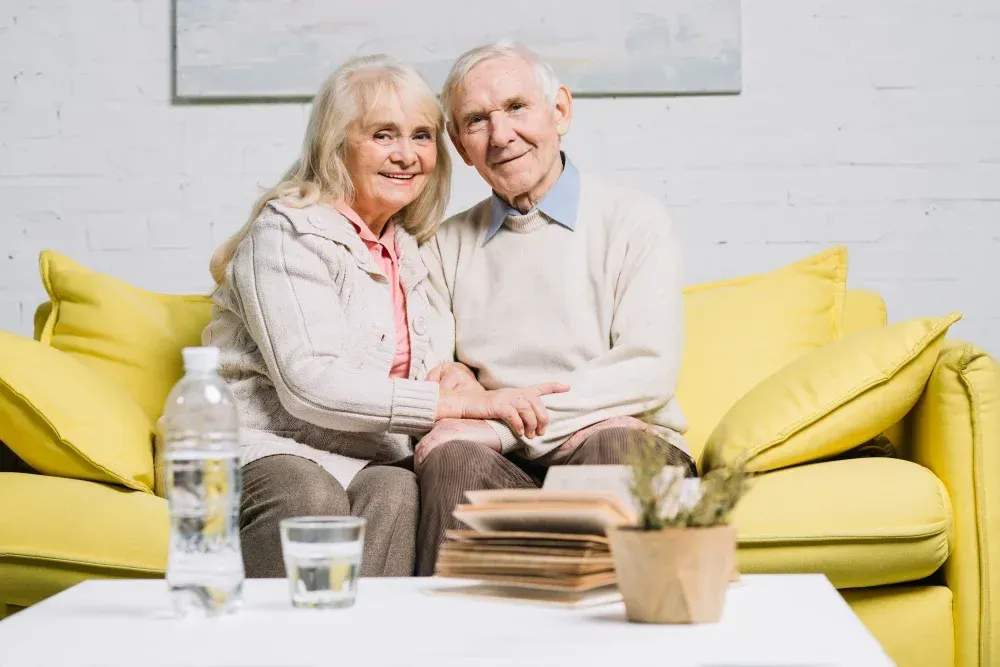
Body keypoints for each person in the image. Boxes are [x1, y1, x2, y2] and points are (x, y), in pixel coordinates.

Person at [203, 54, 568, 579]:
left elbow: (431, 359)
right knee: (309, 491)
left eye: (421, 136)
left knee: (399, 489)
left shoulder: (411, 249)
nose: (406, 155)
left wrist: (456, 375)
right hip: (266, 447)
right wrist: (459, 405)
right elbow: (309, 383)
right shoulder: (287, 233)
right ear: (336, 144)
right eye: (382, 135)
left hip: (368, 457)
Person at [416, 41, 698, 576]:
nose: (501, 136)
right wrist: (485, 421)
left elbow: (647, 371)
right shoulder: (442, 245)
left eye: (517, 107)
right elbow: (438, 379)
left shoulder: (635, 220)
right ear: (458, 143)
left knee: (613, 444)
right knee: (449, 457)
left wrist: (500, 421)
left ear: (560, 111)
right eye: (477, 120)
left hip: (621, 443)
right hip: (503, 464)